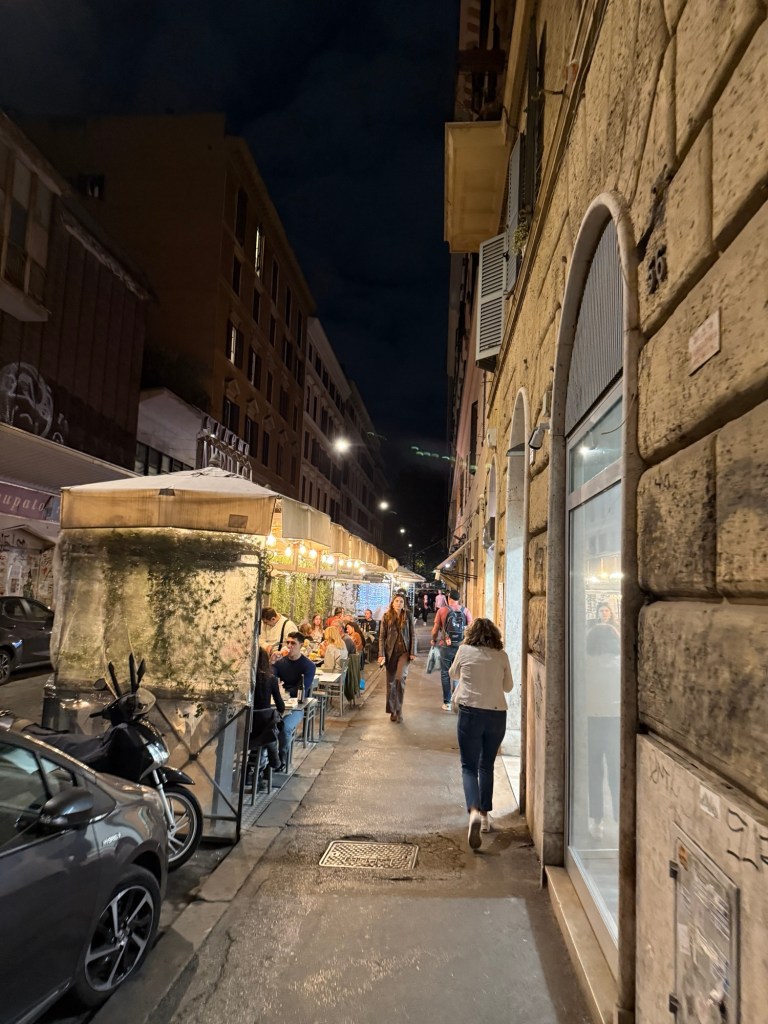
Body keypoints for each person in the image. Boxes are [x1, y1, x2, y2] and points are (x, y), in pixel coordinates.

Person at [449, 617, 513, 850]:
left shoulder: (464, 651)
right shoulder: (501, 656)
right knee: (487, 765)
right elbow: (508, 687)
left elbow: (453, 673)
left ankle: (474, 811)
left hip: (471, 712)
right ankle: (485, 817)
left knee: (469, 766)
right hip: (497, 714)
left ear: (471, 634)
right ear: (495, 635)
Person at [585, 602, 621, 838]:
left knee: (594, 771)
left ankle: (596, 818)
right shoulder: (621, 664)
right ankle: (619, 816)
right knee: (616, 770)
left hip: (592, 721)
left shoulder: (586, 664)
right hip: (615, 721)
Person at [431, 590, 473, 711]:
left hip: (446, 645)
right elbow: (471, 629)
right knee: (458, 672)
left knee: (445, 673)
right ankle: (456, 700)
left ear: (449, 598)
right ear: (459, 599)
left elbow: (435, 630)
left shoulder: (442, 610)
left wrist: (434, 640)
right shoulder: (466, 611)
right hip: (461, 646)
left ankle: (447, 702)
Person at [249, 648, 287, 779]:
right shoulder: (271, 679)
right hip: (263, 730)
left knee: (264, 732)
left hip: (244, 731)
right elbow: (281, 706)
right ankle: (274, 761)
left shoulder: (246, 680)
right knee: (272, 730)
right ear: (266, 661)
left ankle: (251, 768)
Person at [378, 593, 415, 723]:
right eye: (397, 601)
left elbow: (413, 634)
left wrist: (412, 651)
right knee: (390, 682)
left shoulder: (408, 615)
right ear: (392, 603)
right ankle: (392, 710)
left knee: (400, 678)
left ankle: (399, 709)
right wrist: (381, 654)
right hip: (390, 652)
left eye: (401, 601)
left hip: (404, 652)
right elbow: (382, 637)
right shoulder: (386, 616)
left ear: (404, 604)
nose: (399, 603)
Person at [272, 632, 316, 701]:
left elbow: (300, 690)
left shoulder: (309, 666)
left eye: (293, 643)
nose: (289, 646)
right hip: (278, 699)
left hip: (297, 701)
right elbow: (269, 681)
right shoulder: (279, 661)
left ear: (301, 645)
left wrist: (281, 693)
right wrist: (272, 662)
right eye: (288, 643)